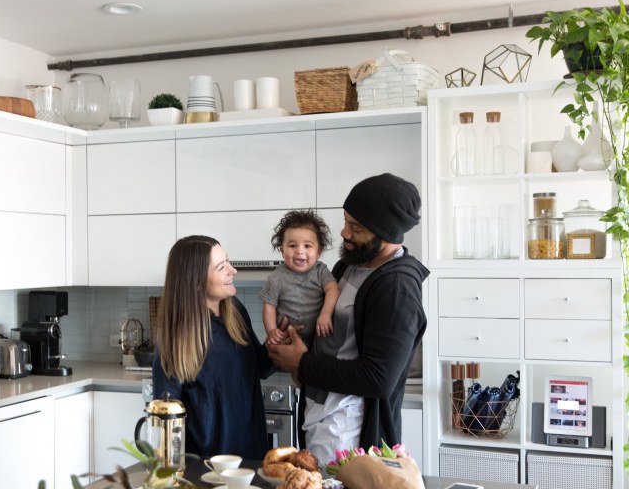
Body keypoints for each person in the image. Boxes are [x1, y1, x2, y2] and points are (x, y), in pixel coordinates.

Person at [267, 173, 429, 463]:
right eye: (346, 221)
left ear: (386, 233)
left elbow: (379, 379)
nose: (345, 233)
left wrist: (302, 363)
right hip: (322, 411)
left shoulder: (397, 288)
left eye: (356, 228)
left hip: (350, 430)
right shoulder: (351, 265)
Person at [152, 235, 274, 459]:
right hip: (206, 467)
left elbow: (260, 367)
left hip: (252, 460)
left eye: (228, 261)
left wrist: (279, 339)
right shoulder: (176, 342)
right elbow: (167, 423)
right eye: (221, 267)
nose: (233, 270)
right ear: (196, 281)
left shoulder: (235, 312)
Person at [260, 209, 340, 348]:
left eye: (307, 246)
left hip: (317, 336)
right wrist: (271, 331)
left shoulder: (320, 271)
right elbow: (269, 306)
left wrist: (325, 315)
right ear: (282, 250)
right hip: (286, 338)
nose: (299, 251)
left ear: (319, 251)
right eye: (292, 246)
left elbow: (333, 290)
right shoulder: (276, 277)